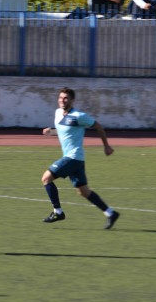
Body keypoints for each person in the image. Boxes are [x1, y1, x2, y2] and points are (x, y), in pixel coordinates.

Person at [41, 87, 119, 229]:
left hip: (73, 157)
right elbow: (63, 131)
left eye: (66, 98)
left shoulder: (79, 116)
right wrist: (50, 132)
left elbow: (99, 127)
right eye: (61, 98)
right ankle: (110, 213)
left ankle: (58, 212)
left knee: (46, 178)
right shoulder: (58, 113)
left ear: (72, 100)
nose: (63, 100)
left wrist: (106, 146)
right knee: (83, 191)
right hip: (75, 159)